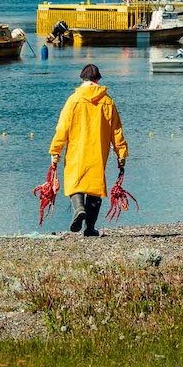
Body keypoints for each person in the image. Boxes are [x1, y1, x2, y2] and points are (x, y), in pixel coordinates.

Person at [48, 63, 128, 237]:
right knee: (94, 188)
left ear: (82, 79)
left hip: (76, 152)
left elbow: (62, 129)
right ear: (98, 79)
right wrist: (121, 155)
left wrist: (56, 151)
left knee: (75, 182)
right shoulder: (107, 102)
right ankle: (90, 228)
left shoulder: (73, 101)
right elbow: (117, 131)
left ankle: (79, 209)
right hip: (98, 152)